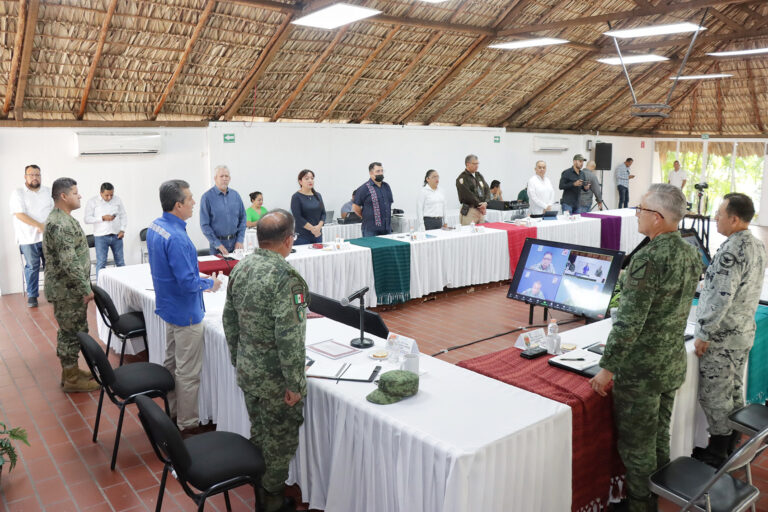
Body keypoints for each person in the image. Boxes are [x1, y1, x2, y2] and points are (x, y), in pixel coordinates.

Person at [589, 184, 701, 512]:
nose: (636, 215)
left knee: (638, 447)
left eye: (641, 210)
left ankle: (641, 505)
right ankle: (656, 493)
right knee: (658, 437)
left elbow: (629, 321)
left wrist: (607, 368)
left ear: (657, 218)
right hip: (670, 362)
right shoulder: (689, 251)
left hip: (641, 372)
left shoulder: (648, 258)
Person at [223, 209, 308, 512]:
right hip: (275, 379)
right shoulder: (286, 278)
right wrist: (295, 383)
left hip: (249, 369)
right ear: (288, 240)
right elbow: (290, 338)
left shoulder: (241, 267)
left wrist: (238, 358)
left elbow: (229, 321)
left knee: (259, 430)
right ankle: (271, 498)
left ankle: (260, 484)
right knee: (280, 438)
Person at [692, 193, 766, 467]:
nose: (715, 219)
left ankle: (717, 452)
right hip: (742, 330)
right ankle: (732, 443)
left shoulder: (732, 250)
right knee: (734, 390)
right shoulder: (756, 244)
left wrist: (704, 333)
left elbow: (720, 296)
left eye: (719, 214)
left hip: (722, 338)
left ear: (734, 219)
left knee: (715, 394)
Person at [147, 179, 222, 436]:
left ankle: (172, 410)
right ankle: (187, 424)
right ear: (178, 205)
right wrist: (209, 284)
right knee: (188, 372)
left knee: (171, 363)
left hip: (169, 307)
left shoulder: (156, 227)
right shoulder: (178, 237)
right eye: (190, 199)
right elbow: (188, 282)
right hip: (186, 312)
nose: (193, 203)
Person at [42, 178, 99, 393]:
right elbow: (69, 261)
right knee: (71, 332)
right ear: (63, 196)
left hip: (70, 289)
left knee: (74, 330)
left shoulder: (64, 219)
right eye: (76, 193)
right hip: (67, 290)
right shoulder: (59, 224)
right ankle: (72, 378)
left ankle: (71, 371)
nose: (80, 195)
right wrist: (86, 288)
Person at [9, 164, 53, 307]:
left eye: (37, 175)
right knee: (33, 266)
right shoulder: (18, 193)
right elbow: (19, 214)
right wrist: (39, 225)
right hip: (28, 238)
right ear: (25, 177)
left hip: (47, 237)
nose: (35, 177)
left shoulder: (48, 192)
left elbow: (55, 211)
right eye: (31, 175)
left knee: (51, 266)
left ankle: (52, 293)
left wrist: (48, 225)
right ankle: (32, 296)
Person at [200, 165, 246, 256]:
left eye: (226, 176)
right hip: (217, 247)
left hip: (236, 246)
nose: (224, 178)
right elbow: (204, 225)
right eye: (221, 176)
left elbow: (243, 218)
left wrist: (240, 240)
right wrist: (217, 244)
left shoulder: (235, 195)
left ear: (230, 178)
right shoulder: (207, 197)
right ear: (215, 178)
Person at [84, 182, 127, 279]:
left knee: (120, 262)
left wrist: (122, 230)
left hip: (117, 236)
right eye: (106, 195)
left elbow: (123, 215)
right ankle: (100, 289)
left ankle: (124, 286)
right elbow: (87, 219)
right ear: (101, 193)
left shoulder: (117, 200)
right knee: (101, 263)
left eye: (111, 194)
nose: (109, 197)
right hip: (100, 237)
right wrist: (102, 218)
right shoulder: (92, 202)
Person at [353, 162, 394, 237]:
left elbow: (389, 203)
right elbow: (356, 207)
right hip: (370, 230)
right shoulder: (364, 188)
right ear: (371, 173)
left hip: (386, 229)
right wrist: (364, 216)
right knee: (372, 248)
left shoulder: (386, 186)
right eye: (378, 171)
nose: (381, 173)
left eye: (382, 171)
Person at [290, 169, 326, 245]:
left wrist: (318, 227)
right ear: (300, 181)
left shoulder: (318, 195)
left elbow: (323, 214)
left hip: (317, 234)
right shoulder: (296, 197)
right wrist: (313, 229)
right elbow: (298, 217)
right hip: (302, 236)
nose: (310, 181)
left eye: (312, 178)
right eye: (307, 178)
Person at [455, 154, 489, 225]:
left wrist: (485, 203)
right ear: (468, 164)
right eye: (474, 164)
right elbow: (467, 195)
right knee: (469, 233)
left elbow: (487, 189)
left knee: (482, 234)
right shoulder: (462, 178)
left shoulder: (479, 176)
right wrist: (480, 205)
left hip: (481, 211)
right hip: (470, 210)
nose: (477, 165)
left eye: (477, 163)